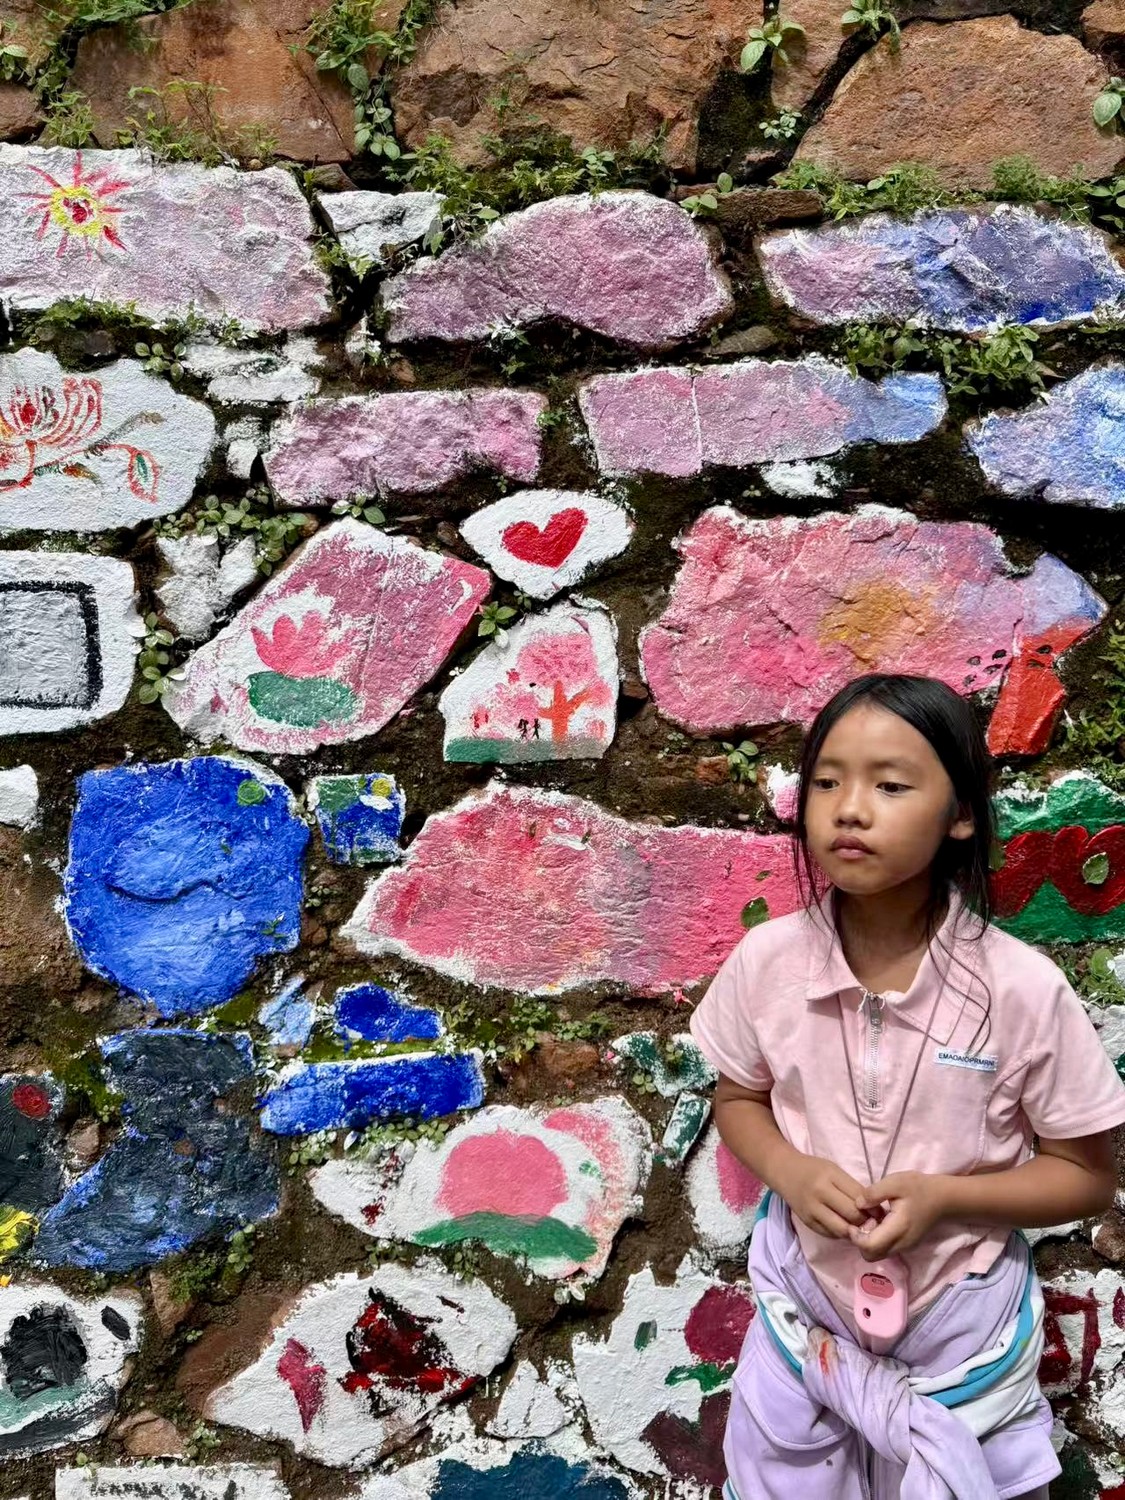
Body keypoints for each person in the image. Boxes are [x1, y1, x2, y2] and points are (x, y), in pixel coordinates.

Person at [688, 672, 1125, 1500]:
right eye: (826, 783)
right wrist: (788, 1171)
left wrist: (944, 1199)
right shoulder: (765, 963)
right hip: (805, 1319)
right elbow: (738, 1098)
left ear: (959, 814)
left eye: (889, 786)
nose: (849, 810)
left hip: (961, 1333)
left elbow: (1084, 1175)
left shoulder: (1020, 990)